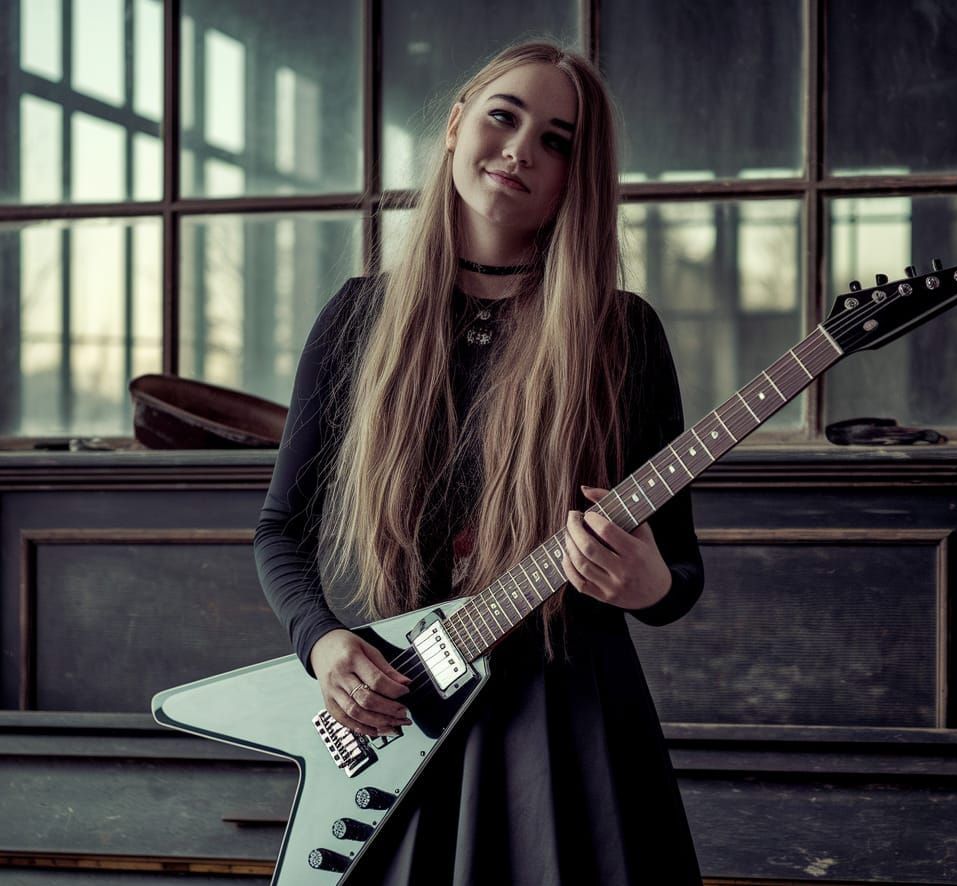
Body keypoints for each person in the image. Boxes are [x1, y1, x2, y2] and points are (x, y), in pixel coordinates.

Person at [255, 41, 705, 885]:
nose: (521, 150)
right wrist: (323, 644)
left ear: (576, 177)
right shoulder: (357, 317)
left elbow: (680, 573)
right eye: (505, 117)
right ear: (458, 124)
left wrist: (646, 583)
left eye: (557, 142)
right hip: (407, 716)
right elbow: (281, 530)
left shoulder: (624, 332)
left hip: (569, 733)